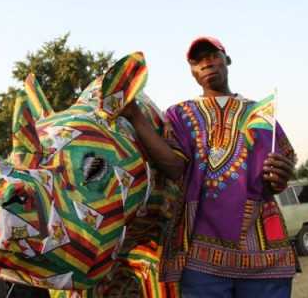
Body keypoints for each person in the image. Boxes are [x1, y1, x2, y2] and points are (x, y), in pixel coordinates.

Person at [122, 36, 297, 298]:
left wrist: (282, 174)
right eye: (197, 60)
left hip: (263, 251)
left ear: (227, 59)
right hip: (201, 254)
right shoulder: (179, 114)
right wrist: (134, 115)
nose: (206, 63)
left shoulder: (259, 112)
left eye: (213, 55)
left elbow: (282, 164)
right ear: (192, 71)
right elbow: (175, 167)